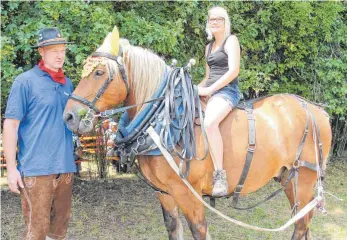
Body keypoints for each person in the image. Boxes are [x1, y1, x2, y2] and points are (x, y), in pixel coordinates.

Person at [3, 27, 76, 240]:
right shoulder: (24, 82)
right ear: (41, 52)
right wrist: (11, 169)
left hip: (66, 169)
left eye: (62, 49)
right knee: (36, 234)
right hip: (36, 171)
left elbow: (71, 122)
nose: (59, 54)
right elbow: (11, 126)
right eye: (53, 50)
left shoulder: (67, 84)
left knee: (59, 233)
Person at [198, 6, 241, 197]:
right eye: (211, 19)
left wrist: (209, 90)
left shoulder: (231, 41)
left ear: (225, 22)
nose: (214, 22)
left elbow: (233, 71)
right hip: (211, 91)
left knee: (209, 123)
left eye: (219, 19)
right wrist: (197, 89)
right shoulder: (208, 47)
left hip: (227, 91)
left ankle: (220, 176)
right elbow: (207, 76)